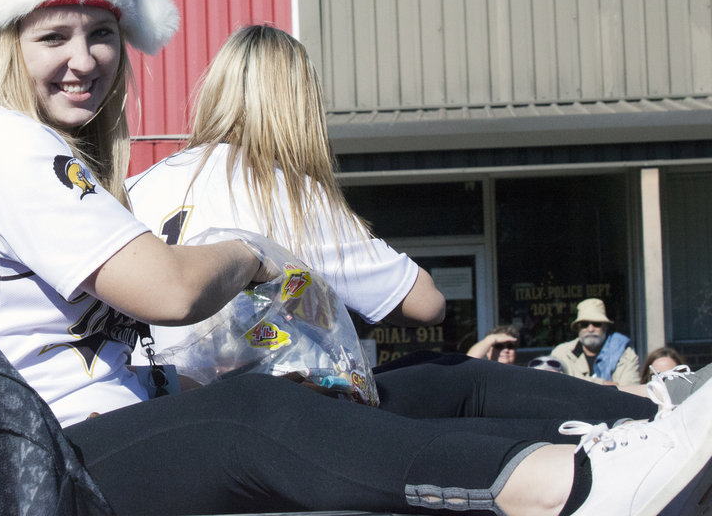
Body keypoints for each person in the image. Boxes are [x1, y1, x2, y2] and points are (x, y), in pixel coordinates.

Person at [0, 0, 712, 516]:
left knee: (423, 384)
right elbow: (169, 291)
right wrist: (249, 251)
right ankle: (571, 487)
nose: (84, 58)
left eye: (100, 33)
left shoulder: (65, 157)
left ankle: (651, 420)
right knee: (251, 416)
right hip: (35, 465)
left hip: (98, 433)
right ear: (5, 47)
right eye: (53, 35)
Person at [125, 25, 658, 431]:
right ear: (298, 107)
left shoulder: (139, 185)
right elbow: (426, 304)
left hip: (158, 414)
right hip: (267, 418)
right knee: (455, 373)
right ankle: (649, 407)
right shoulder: (282, 190)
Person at [550, 298, 641, 387]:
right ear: (578, 328)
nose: (590, 329)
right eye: (584, 324)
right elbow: (556, 387)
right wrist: (603, 384)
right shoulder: (561, 353)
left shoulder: (624, 352)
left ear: (605, 326)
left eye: (596, 324)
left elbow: (630, 391)